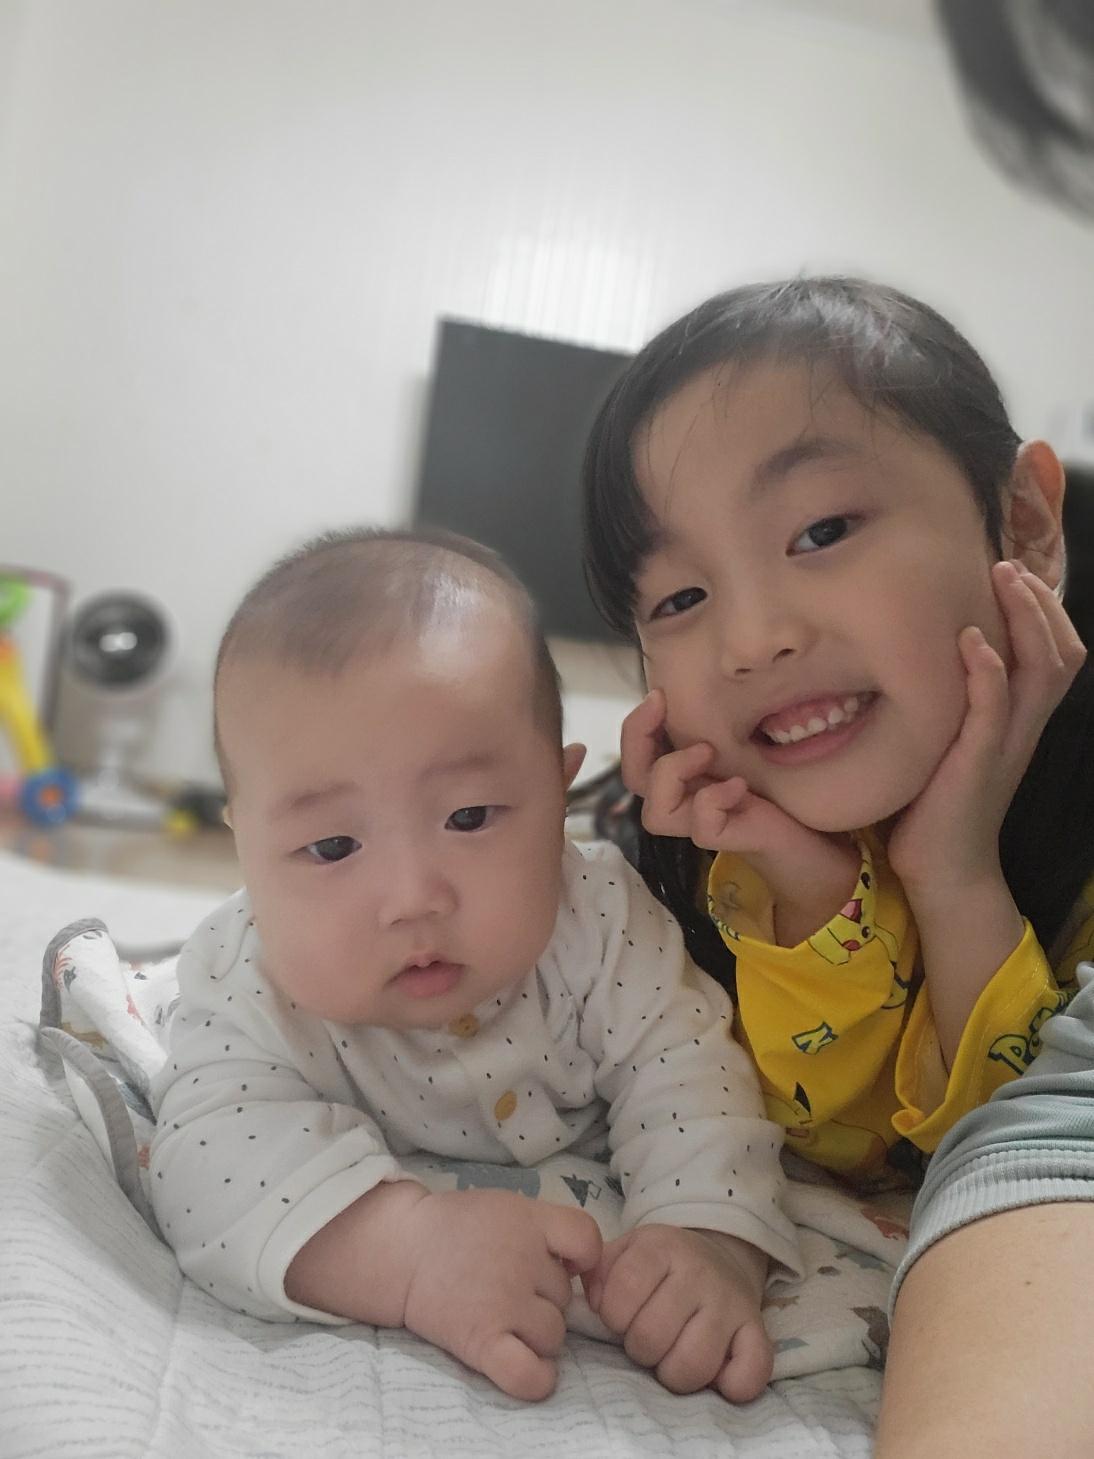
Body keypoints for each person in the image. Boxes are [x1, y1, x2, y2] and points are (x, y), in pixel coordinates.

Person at [149, 527, 801, 1405]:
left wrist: (709, 1237)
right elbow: (206, 1166)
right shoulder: (246, 981)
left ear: (558, 795)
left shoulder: (602, 919)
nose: (413, 897)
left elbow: (688, 1071)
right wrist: (409, 1248)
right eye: (332, 845)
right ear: (246, 848)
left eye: (468, 817)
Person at [581, 275, 1092, 1192]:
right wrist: (811, 893)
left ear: (1023, 521)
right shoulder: (652, 884)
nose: (751, 640)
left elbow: (1022, 1171)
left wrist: (955, 875)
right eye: (680, 598)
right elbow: (832, 1144)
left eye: (821, 531)